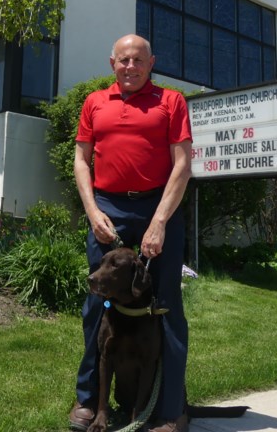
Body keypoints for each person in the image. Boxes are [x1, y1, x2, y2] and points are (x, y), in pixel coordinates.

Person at [68, 34, 193, 432]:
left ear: (151, 62)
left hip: (159, 206)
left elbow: (183, 164)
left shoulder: (171, 101)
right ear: (112, 63)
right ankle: (89, 400)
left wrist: (159, 221)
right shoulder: (94, 103)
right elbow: (81, 161)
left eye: (138, 60)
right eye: (123, 60)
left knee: (166, 306)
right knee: (97, 304)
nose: (130, 67)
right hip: (108, 208)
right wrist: (92, 212)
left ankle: (171, 410)